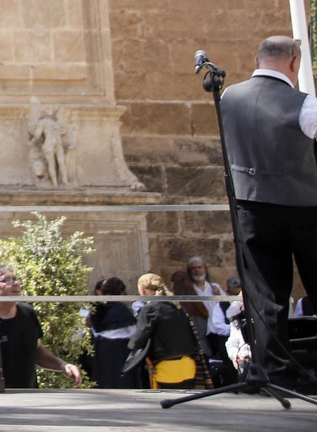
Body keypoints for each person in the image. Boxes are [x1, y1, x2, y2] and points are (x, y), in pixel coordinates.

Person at [216, 35, 317, 390]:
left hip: (250, 208)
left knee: (265, 293)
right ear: (294, 62)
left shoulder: (228, 97)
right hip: (304, 208)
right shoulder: (306, 106)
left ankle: (275, 372)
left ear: (258, 60)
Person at [0, 262, 82, 388]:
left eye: (16, 279)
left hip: (29, 396)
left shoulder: (27, 313)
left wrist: (63, 365)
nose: (16, 283)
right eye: (7, 280)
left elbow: (36, 350)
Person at [123, 273, 202, 387]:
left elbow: (139, 338)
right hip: (188, 366)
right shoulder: (176, 306)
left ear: (142, 291)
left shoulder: (150, 308)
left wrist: (130, 347)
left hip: (168, 368)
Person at [87, 277, 140, 388]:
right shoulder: (121, 308)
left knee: (104, 378)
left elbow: (94, 330)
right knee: (122, 381)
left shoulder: (97, 307)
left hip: (101, 348)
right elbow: (133, 332)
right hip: (120, 349)